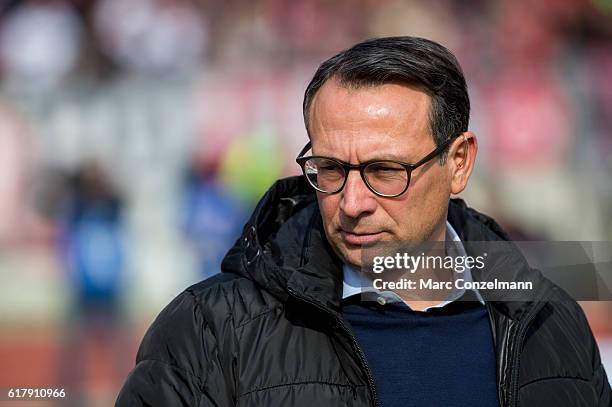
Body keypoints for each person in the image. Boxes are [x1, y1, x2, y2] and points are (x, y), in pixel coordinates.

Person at [116, 37, 611, 406]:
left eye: (384, 171)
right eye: (330, 169)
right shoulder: (208, 330)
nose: (352, 201)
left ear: (458, 162)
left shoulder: (551, 321)